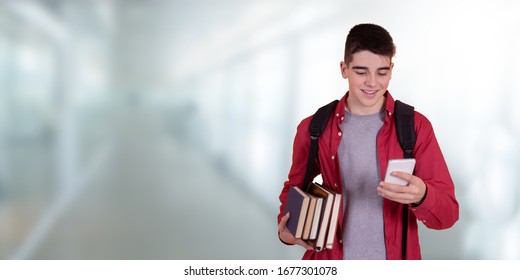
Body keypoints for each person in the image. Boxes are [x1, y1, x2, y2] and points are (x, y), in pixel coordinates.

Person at [277, 23, 459, 260]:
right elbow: (295, 187)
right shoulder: (314, 127)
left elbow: (448, 214)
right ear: (344, 69)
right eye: (361, 72)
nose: (373, 82)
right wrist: (286, 231)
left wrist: (423, 195)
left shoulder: (415, 126)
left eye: (382, 72)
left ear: (392, 69)